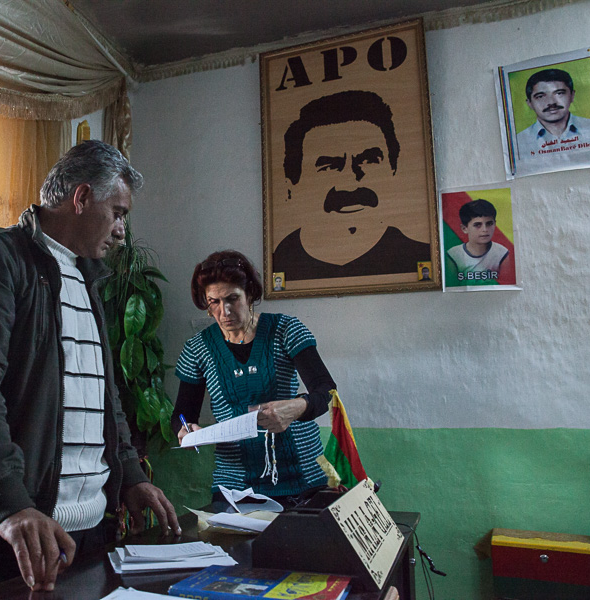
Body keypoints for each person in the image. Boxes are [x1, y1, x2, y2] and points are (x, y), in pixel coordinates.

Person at [0, 140, 179, 595]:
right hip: (14, 530)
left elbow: (105, 400)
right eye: (118, 212)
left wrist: (132, 477)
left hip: (90, 528)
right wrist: (10, 507)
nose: (122, 230)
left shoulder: (87, 278)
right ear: (81, 198)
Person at [172, 250, 338, 504]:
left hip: (304, 477)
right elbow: (182, 415)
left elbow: (325, 390)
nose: (224, 311)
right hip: (235, 484)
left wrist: (297, 406)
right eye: (213, 302)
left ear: (250, 294)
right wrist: (185, 429)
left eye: (232, 299)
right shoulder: (198, 349)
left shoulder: (285, 330)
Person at [272, 90, 429, 281]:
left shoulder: (418, 257)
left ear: (393, 171)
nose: (350, 181)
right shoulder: (274, 268)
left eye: (368, 161)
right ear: (291, 187)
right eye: (329, 166)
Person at [515, 68, 590, 158]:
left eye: (559, 93)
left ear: (572, 96)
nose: (551, 102)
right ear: (529, 103)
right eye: (540, 96)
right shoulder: (518, 143)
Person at [446, 199, 509, 283]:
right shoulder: (453, 255)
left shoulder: (502, 253)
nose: (485, 229)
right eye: (477, 225)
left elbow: (506, 284)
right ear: (464, 228)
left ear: (495, 224)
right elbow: (451, 285)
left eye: (489, 224)